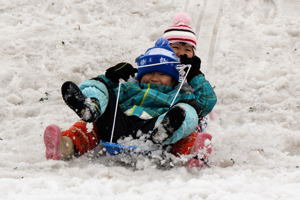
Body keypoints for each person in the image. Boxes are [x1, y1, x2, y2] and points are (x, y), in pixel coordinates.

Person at [44, 38, 217, 166]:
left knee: (188, 110)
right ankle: (75, 131)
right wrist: (109, 79)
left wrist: (194, 75)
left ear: (173, 79)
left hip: (156, 133)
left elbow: (206, 103)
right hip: (118, 128)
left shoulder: (178, 93)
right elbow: (109, 94)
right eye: (149, 73)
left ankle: (192, 152)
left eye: (162, 74)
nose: (155, 78)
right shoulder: (129, 88)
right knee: (99, 102)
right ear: (141, 75)